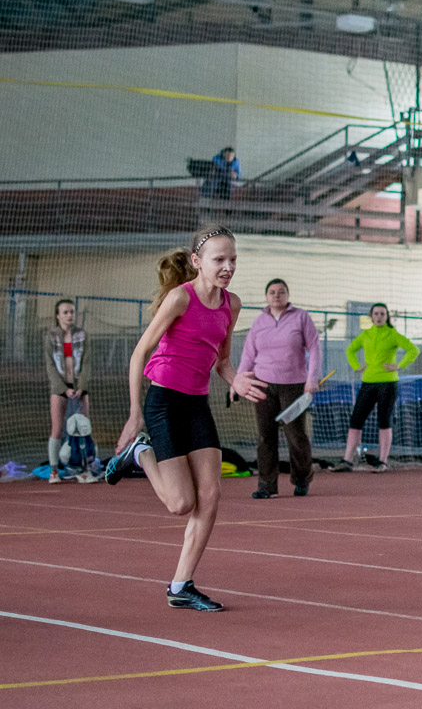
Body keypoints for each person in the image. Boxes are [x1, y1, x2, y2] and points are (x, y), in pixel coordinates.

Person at [104, 224, 267, 611]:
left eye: (233, 260)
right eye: (219, 260)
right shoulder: (180, 299)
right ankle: (140, 453)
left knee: (210, 496)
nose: (228, 267)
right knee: (180, 503)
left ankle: (181, 586)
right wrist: (133, 414)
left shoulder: (233, 304)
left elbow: (222, 361)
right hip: (163, 402)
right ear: (197, 262)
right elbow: (139, 354)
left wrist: (236, 379)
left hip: (196, 404)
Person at [238, 278, 322, 499]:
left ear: (287, 296)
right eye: (272, 292)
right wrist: (239, 381)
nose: (276, 295)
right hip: (263, 384)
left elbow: (314, 347)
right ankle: (267, 486)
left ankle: (302, 479)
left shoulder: (301, 317)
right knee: (266, 437)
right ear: (266, 296)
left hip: (294, 386)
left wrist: (312, 379)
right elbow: (248, 354)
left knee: (296, 435)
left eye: (281, 292)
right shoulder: (258, 322)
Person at [333, 303, 419, 473]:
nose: (379, 316)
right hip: (368, 383)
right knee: (355, 420)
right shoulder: (365, 335)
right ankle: (347, 460)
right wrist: (356, 366)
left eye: (382, 314)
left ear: (387, 317)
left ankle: (382, 461)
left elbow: (413, 350)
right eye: (376, 314)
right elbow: (350, 350)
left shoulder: (393, 335)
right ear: (371, 317)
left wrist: (399, 366)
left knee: (384, 421)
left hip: (387, 383)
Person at [44, 298, 97, 483]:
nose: (69, 316)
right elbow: (50, 365)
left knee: (83, 428)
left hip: (79, 388)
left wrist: (81, 386)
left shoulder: (83, 335)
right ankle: (54, 471)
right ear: (57, 316)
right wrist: (62, 388)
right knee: (57, 429)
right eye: (65, 312)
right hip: (60, 388)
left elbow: (87, 363)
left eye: (72, 312)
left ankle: (84, 470)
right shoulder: (51, 336)